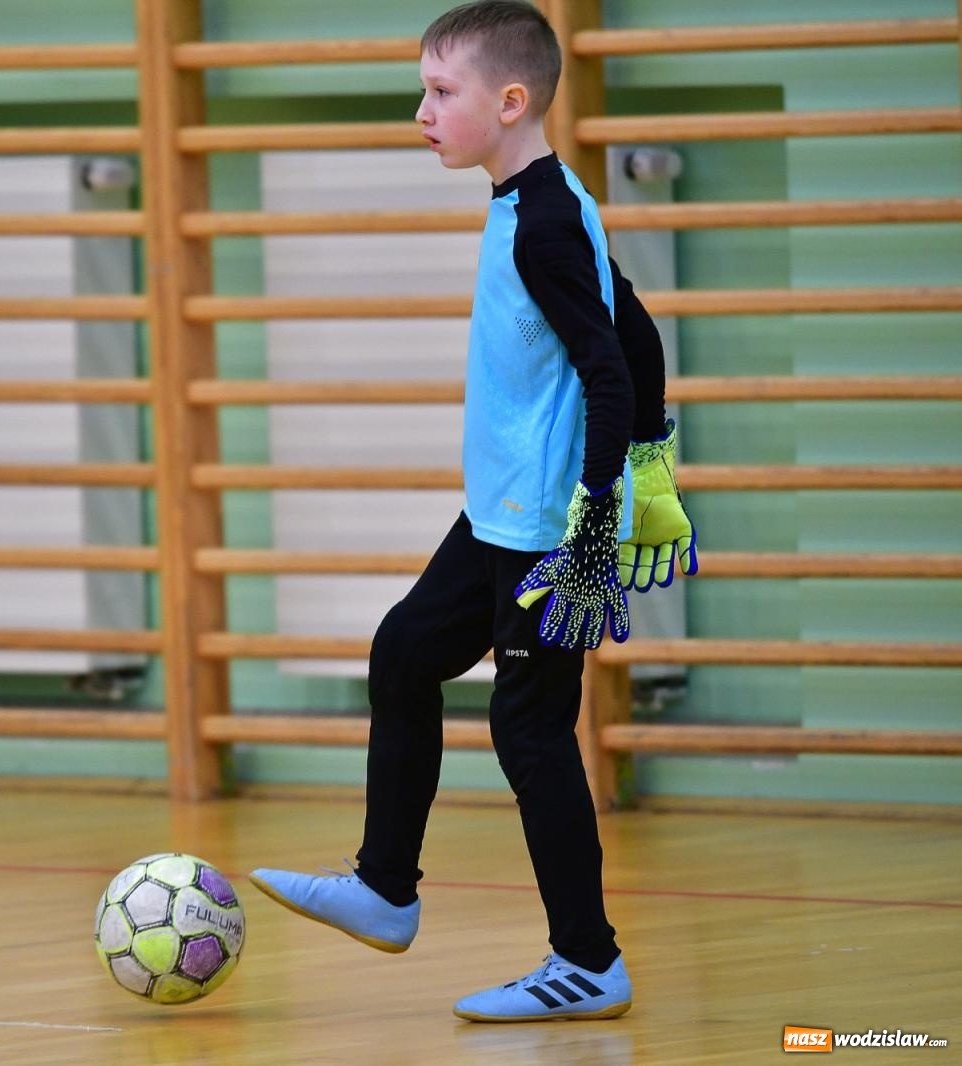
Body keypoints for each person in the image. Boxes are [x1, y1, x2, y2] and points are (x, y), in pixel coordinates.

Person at [249, 0, 697, 1023]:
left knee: (529, 732)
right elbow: (634, 329)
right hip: (496, 517)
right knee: (405, 653)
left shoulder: (545, 223)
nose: (422, 111)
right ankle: (384, 889)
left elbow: (607, 370)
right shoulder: (536, 203)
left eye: (441, 91)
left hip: (546, 531)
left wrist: (602, 515)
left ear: (509, 101)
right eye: (423, 90)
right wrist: (651, 454)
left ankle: (587, 961)